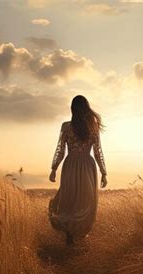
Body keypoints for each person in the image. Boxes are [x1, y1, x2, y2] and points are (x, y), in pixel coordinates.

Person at [48, 95, 107, 246]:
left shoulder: (66, 126)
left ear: (73, 109)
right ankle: (77, 233)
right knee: (85, 200)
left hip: (71, 164)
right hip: (88, 165)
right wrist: (103, 172)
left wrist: (54, 168)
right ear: (86, 108)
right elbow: (97, 152)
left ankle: (70, 235)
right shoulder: (92, 127)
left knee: (70, 199)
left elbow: (60, 150)